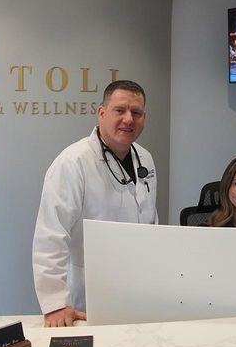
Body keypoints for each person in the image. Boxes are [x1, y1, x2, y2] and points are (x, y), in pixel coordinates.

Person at [32, 80, 158, 327]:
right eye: (119, 110)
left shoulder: (145, 158)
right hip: (87, 296)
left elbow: (150, 219)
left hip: (138, 290)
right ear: (101, 113)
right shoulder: (72, 162)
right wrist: (56, 304)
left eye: (136, 112)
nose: (128, 119)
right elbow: (51, 235)